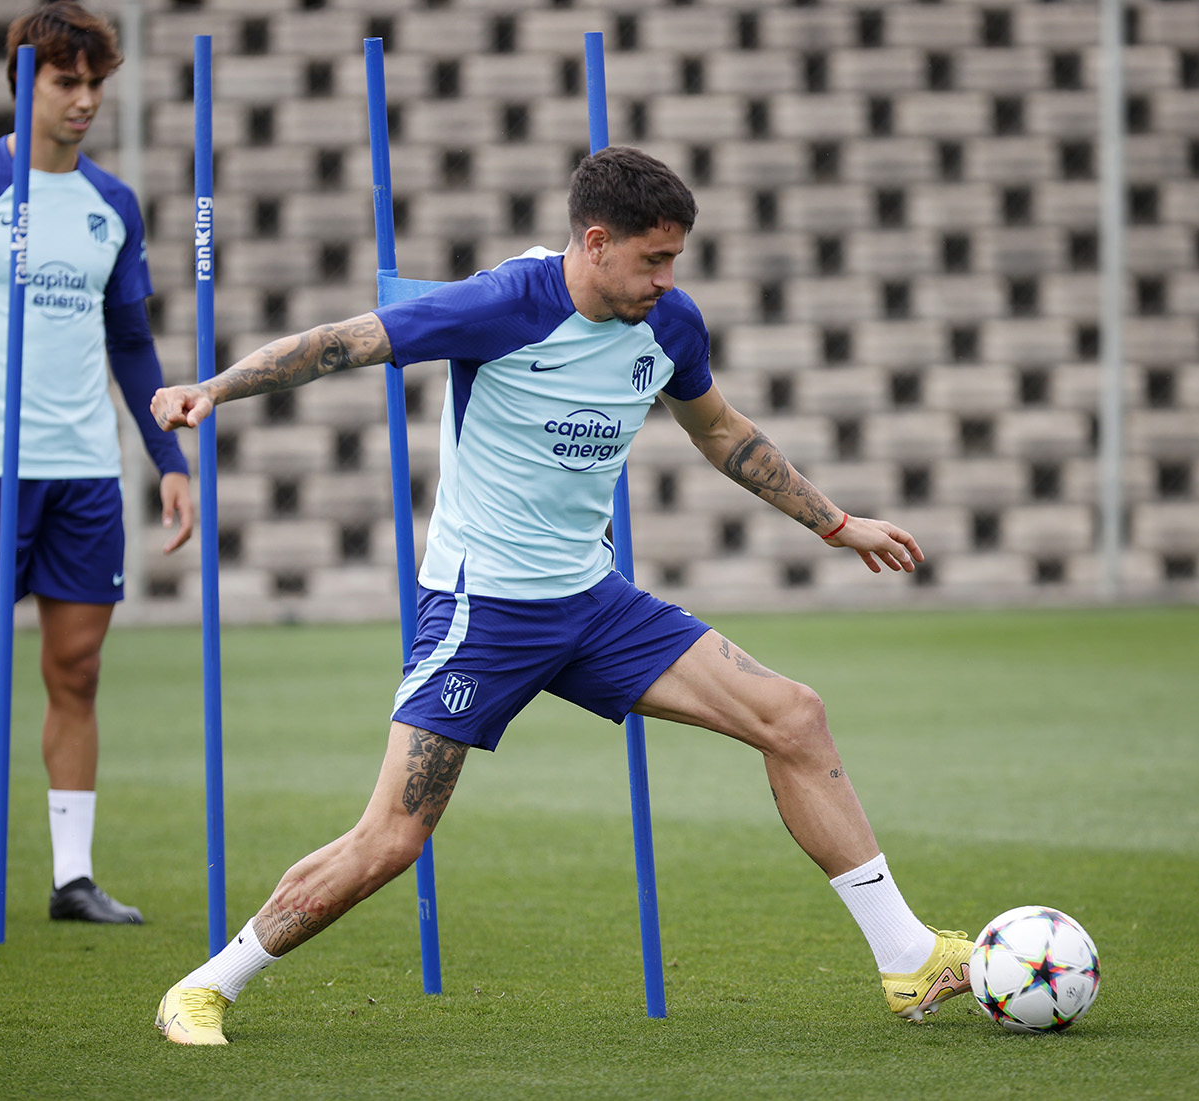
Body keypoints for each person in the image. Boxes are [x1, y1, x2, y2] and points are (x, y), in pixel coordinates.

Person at [149, 147, 971, 1044]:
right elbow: (341, 343)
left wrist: (834, 522)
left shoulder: (670, 324)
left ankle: (906, 958)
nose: (668, 278)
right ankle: (204, 986)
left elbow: (722, 430)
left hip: (592, 603)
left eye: (675, 259)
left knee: (794, 716)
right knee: (392, 839)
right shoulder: (501, 305)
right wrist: (212, 389)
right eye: (653, 259)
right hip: (482, 612)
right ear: (595, 241)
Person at [0, 0, 192, 927]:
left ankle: (72, 878)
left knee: (78, 670)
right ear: (25, 81)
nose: (86, 100)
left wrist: (166, 457)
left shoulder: (114, 205)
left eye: (96, 83)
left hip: (87, 471)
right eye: (67, 83)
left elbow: (129, 342)